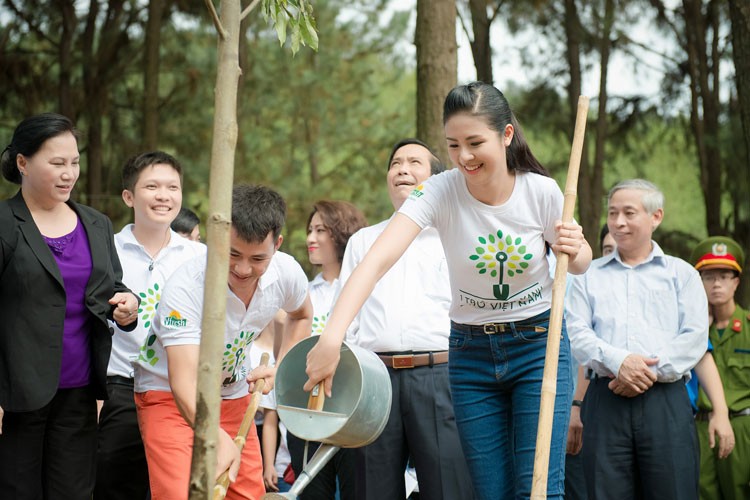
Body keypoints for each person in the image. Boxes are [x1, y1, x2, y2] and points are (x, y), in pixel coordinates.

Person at [305, 82, 592, 499]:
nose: (464, 157)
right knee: (489, 493)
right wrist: (332, 337)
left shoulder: (540, 191)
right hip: (470, 355)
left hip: (537, 345)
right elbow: (376, 261)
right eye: (453, 145)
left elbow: (578, 264)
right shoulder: (438, 192)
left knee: (538, 488)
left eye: (475, 143)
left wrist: (577, 246)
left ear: (506, 135)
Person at [133, 184, 313, 500]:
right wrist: (215, 436)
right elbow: (184, 382)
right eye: (232, 254)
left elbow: (301, 316)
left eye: (258, 258)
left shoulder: (286, 273)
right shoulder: (187, 287)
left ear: (278, 244)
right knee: (183, 494)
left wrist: (280, 367)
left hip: (233, 395)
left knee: (246, 494)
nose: (243, 269)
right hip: (169, 397)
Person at [0, 113, 139, 499]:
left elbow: (110, 287)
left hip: (80, 392)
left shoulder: (95, 223)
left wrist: (127, 305)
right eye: (57, 163)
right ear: (22, 163)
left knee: (74, 493)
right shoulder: (4, 224)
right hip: (15, 395)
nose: (69, 173)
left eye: (74, 162)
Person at [330, 139, 473, 500]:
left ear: (437, 179)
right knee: (372, 489)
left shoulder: (455, 236)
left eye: (414, 162)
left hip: (440, 375)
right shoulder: (364, 241)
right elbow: (345, 315)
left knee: (448, 487)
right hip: (375, 379)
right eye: (395, 163)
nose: (402, 169)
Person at [566, 179, 708, 499]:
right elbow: (577, 334)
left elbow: (694, 337)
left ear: (655, 216)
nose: (618, 222)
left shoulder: (682, 274)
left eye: (629, 213)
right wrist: (620, 363)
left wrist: (644, 372)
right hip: (605, 400)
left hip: (666, 401)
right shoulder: (589, 276)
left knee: (674, 490)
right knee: (605, 491)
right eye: (613, 213)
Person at [95, 151, 206, 500]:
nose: (164, 195)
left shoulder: (199, 258)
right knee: (116, 486)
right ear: (129, 196)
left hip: (178, 392)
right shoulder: (106, 250)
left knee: (175, 489)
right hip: (119, 390)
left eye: (173, 187)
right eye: (152, 186)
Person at [285, 200, 367, 499]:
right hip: (307, 413)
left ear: (342, 233)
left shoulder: (368, 289)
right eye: (309, 230)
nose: (310, 238)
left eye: (320, 230)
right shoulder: (301, 294)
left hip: (353, 411)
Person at [690, 236, 749, 499]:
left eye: (724, 276)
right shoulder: (692, 331)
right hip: (700, 427)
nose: (716, 284)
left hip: (742, 426)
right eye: (709, 277)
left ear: (736, 282)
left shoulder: (748, 328)